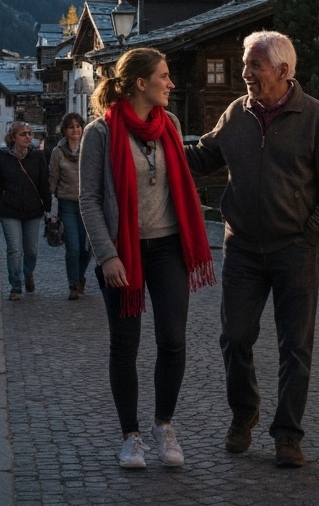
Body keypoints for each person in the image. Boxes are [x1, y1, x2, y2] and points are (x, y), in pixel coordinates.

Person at [183, 31, 319, 469]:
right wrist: (159, 144)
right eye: (245, 63)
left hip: (294, 250)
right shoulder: (236, 113)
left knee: (295, 346)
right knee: (234, 337)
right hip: (241, 249)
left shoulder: (316, 118)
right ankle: (244, 413)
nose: (245, 73)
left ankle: (288, 435)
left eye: (254, 65)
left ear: (283, 70)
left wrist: (310, 235)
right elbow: (203, 156)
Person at [79, 48, 215, 470]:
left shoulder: (169, 125)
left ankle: (163, 426)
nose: (170, 83)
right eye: (164, 76)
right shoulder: (100, 133)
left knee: (173, 340)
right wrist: (107, 256)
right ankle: (130, 437)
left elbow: (182, 181)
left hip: (169, 247)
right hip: (123, 254)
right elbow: (89, 200)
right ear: (141, 83)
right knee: (126, 345)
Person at [0, 121, 48, 301]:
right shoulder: (3, 157)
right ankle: (15, 286)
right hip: (10, 211)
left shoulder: (37, 157)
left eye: (30, 133)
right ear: (13, 137)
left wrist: (47, 209)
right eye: (23, 134)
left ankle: (28, 272)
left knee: (31, 250)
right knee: (15, 250)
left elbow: (43, 184)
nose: (28, 137)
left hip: (32, 210)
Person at [50, 112, 90, 300]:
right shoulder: (58, 153)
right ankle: (73, 284)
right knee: (73, 247)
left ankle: (81, 276)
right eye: (71, 127)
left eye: (78, 126)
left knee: (86, 248)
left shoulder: (90, 148)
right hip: (67, 205)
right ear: (65, 131)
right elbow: (53, 180)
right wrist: (50, 209)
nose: (75, 130)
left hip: (88, 204)